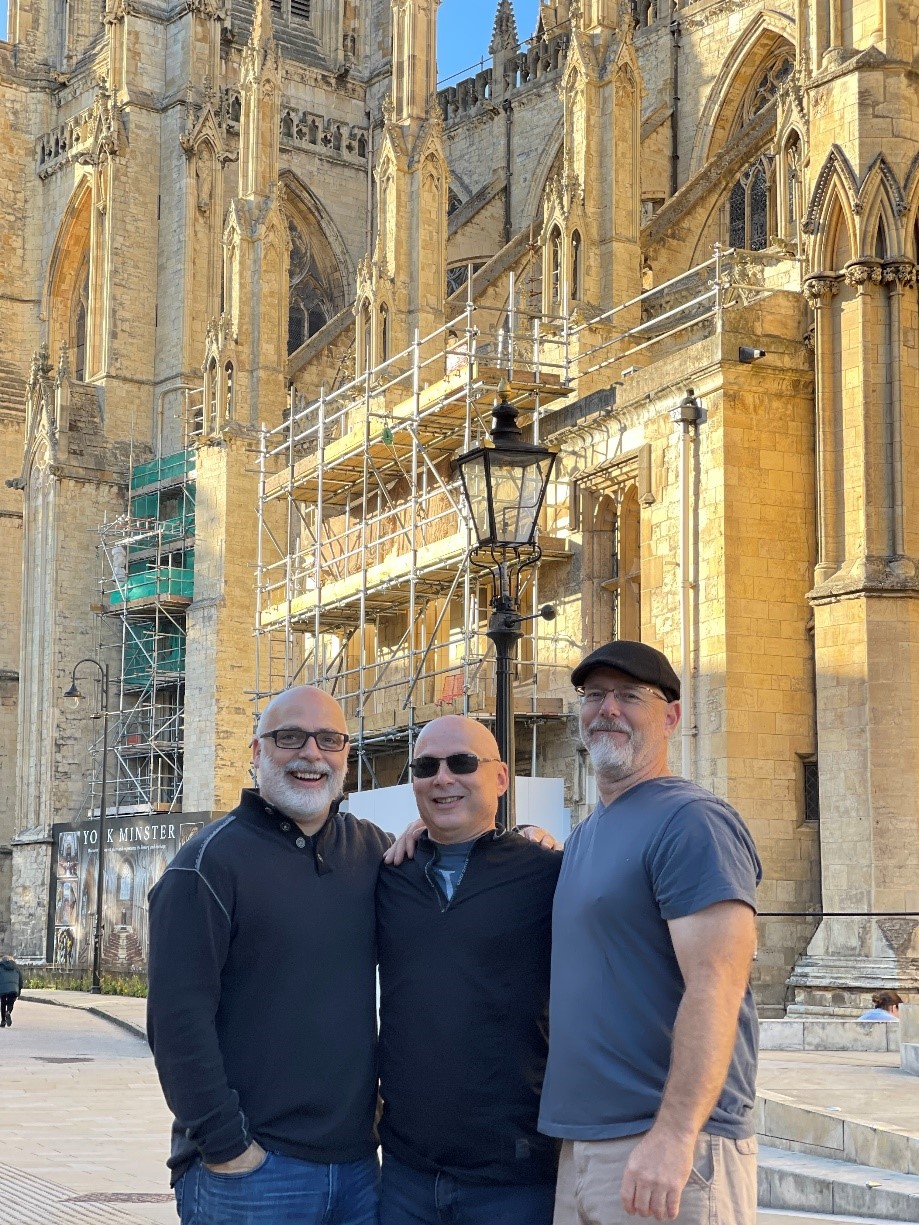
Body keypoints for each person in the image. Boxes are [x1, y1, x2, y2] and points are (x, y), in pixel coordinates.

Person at [146, 685, 389, 1225]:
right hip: (253, 1173)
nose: (311, 753)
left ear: (346, 755)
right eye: (289, 737)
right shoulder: (206, 865)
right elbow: (176, 1020)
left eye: (330, 739)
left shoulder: (371, 850)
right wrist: (226, 1145)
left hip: (356, 1169)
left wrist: (523, 840)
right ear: (256, 752)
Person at [539, 640, 762, 1225]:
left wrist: (674, 1135)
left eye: (629, 696)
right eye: (594, 696)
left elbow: (718, 984)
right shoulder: (588, 835)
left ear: (671, 716)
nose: (607, 708)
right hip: (584, 1147)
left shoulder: (691, 821)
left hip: (663, 1148)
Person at [377, 715, 562, 1225]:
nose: (443, 778)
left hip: (515, 1178)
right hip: (406, 1174)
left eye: (462, 763)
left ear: (500, 779)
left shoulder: (549, 874)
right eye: (426, 766)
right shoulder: (388, 875)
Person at [0, 954, 23, 1027]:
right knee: (11, 1002)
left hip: (3, 988)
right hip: (13, 987)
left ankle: (3, 1021)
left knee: (3, 1003)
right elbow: (20, 980)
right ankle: (8, 1012)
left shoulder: (0, 966)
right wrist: (19, 990)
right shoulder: (16, 968)